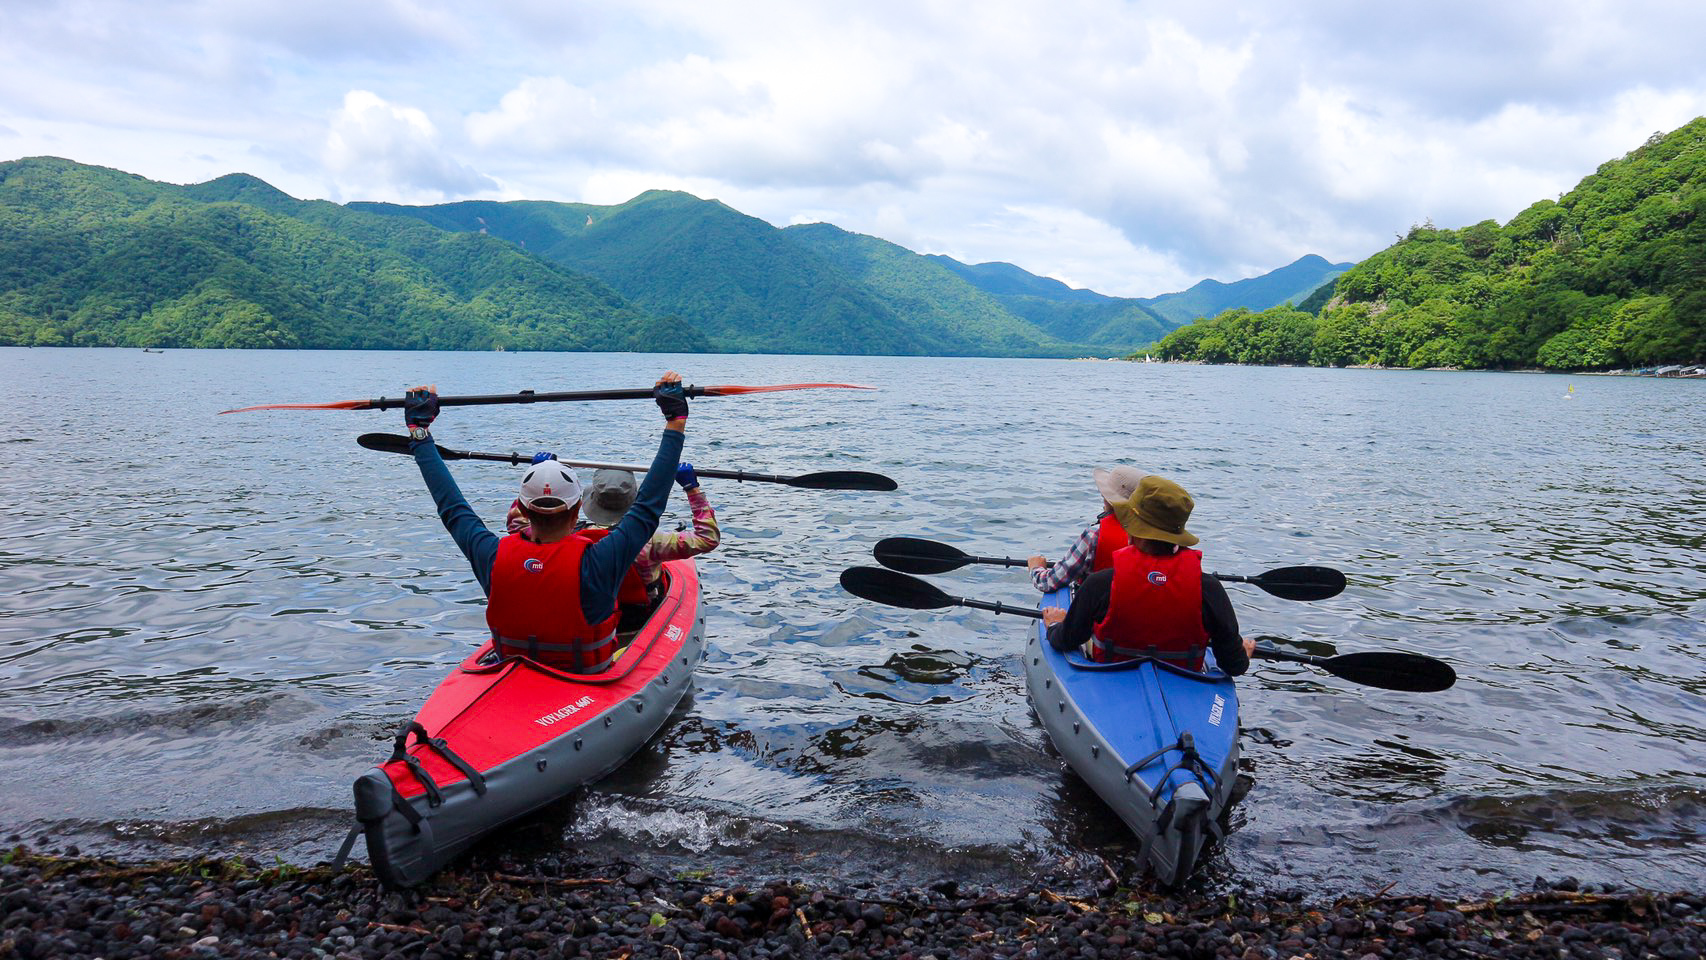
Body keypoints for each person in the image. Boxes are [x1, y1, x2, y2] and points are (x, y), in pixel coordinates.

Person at [401, 371, 690, 673]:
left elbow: (451, 506)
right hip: (588, 679)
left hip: (513, 672)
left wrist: (419, 432)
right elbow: (648, 506)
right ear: (579, 508)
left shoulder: (492, 555)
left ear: (523, 508)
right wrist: (675, 421)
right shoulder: (602, 560)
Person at [1040, 475, 1254, 676]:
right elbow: (1233, 666)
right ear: (1178, 535)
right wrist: (1242, 653)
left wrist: (1055, 626)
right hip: (1183, 677)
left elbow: (1067, 640)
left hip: (1111, 675)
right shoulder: (1209, 588)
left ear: (1131, 532)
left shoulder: (1100, 584)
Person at [507, 463, 721, 630]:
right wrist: (692, 489)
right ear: (632, 500)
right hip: (636, 619)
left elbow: (516, 525)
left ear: (593, 499)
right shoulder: (652, 542)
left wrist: (537, 479)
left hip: (585, 616)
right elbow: (707, 538)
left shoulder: (564, 536)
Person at [1026, 465, 1145, 593]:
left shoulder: (1094, 534)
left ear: (1108, 499)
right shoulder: (1154, 536)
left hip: (1098, 609)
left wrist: (1036, 568)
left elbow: (1048, 582)